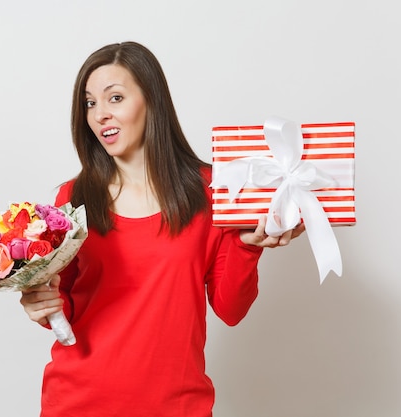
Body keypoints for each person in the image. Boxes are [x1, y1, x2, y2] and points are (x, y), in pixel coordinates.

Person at [20, 41, 305, 417]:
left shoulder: (213, 191)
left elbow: (230, 309)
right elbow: (66, 307)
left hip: (177, 406)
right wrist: (42, 304)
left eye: (115, 98)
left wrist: (249, 245)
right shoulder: (72, 199)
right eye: (90, 103)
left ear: (151, 101)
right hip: (77, 403)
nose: (99, 114)